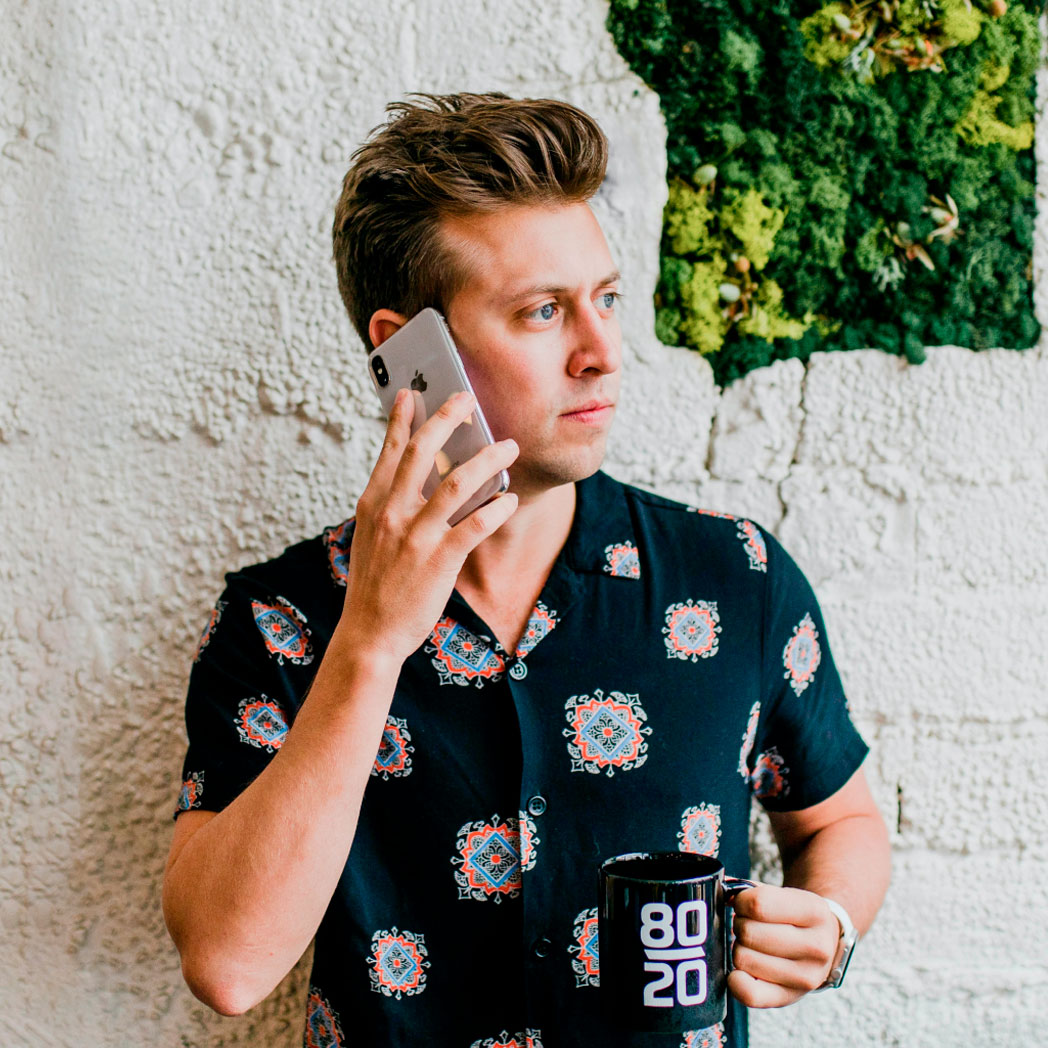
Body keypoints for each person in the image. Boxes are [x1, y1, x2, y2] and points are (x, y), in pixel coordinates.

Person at [162, 92, 891, 1048]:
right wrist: (373, 642)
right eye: (543, 311)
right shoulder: (281, 618)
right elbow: (229, 964)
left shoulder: (737, 576)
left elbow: (839, 820)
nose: (602, 353)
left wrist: (829, 922)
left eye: (607, 298)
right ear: (411, 354)